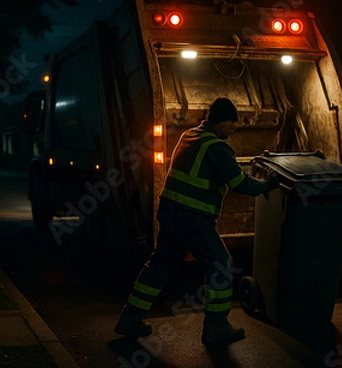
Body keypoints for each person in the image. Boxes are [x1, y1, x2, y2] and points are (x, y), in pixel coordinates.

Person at [114, 97, 279, 345]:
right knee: (221, 265)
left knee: (160, 265)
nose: (235, 128)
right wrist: (267, 184)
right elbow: (239, 183)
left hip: (171, 213)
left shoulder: (189, 135)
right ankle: (216, 327)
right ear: (219, 121)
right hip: (193, 219)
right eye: (231, 123)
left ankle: (129, 320)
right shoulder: (216, 147)